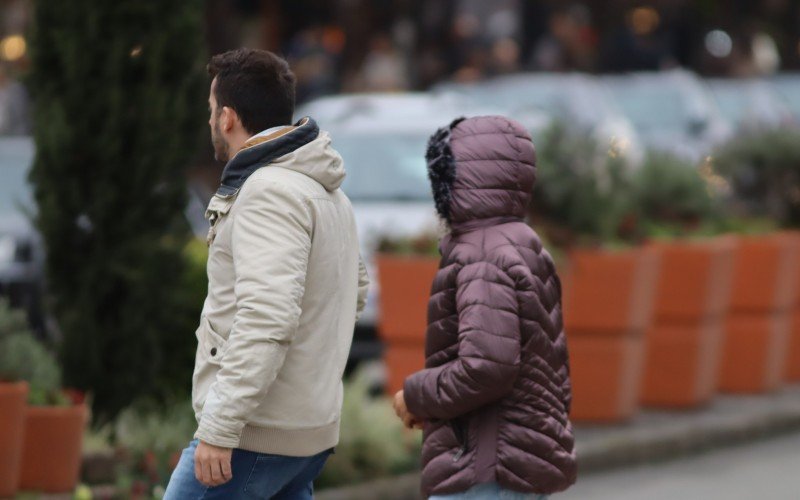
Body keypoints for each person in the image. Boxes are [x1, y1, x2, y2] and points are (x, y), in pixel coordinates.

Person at [164, 48, 368, 499]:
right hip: (304, 432)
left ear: (229, 118)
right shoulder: (326, 192)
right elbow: (352, 294)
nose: (211, 119)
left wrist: (219, 428)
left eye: (212, 110)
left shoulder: (268, 192)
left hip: (254, 434)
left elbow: (266, 317)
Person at [393, 116, 577, 499]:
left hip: (483, 467)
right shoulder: (521, 242)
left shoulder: (481, 256)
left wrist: (415, 395)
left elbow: (487, 366)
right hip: (513, 463)